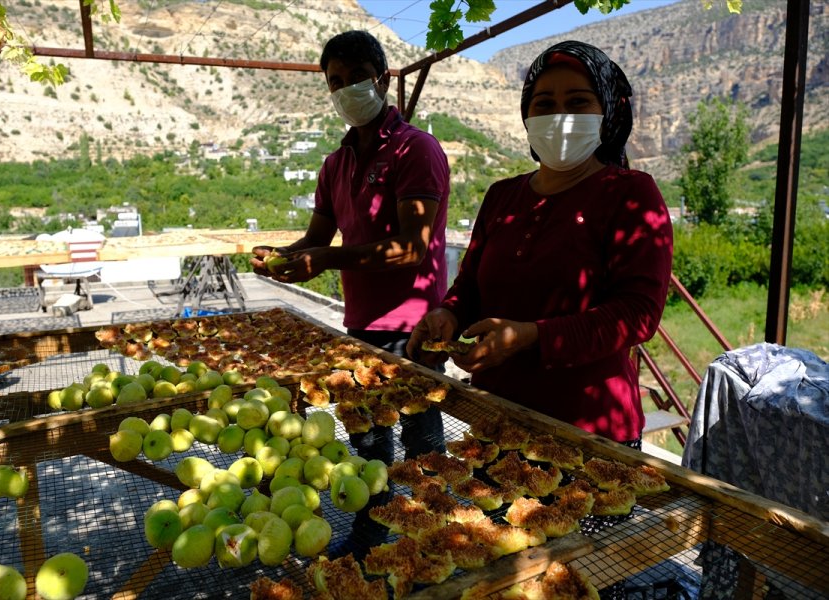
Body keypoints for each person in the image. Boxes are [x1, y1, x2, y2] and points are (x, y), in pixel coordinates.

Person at [407, 40, 674, 447]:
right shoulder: (502, 195)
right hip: (495, 420)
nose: (560, 116)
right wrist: (448, 314)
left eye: (578, 102)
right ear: (527, 115)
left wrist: (532, 337)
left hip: (589, 434)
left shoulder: (632, 193)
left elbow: (639, 314)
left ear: (607, 112)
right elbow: (471, 288)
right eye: (544, 103)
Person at [251, 30, 450, 465]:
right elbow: (316, 240)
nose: (346, 89)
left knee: (424, 453)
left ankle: (429, 529)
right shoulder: (335, 164)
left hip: (413, 329)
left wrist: (327, 259)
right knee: (367, 446)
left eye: (357, 76)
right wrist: (280, 257)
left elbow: (412, 248)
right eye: (335, 81)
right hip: (360, 324)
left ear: (381, 80)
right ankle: (372, 529)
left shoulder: (414, 149)